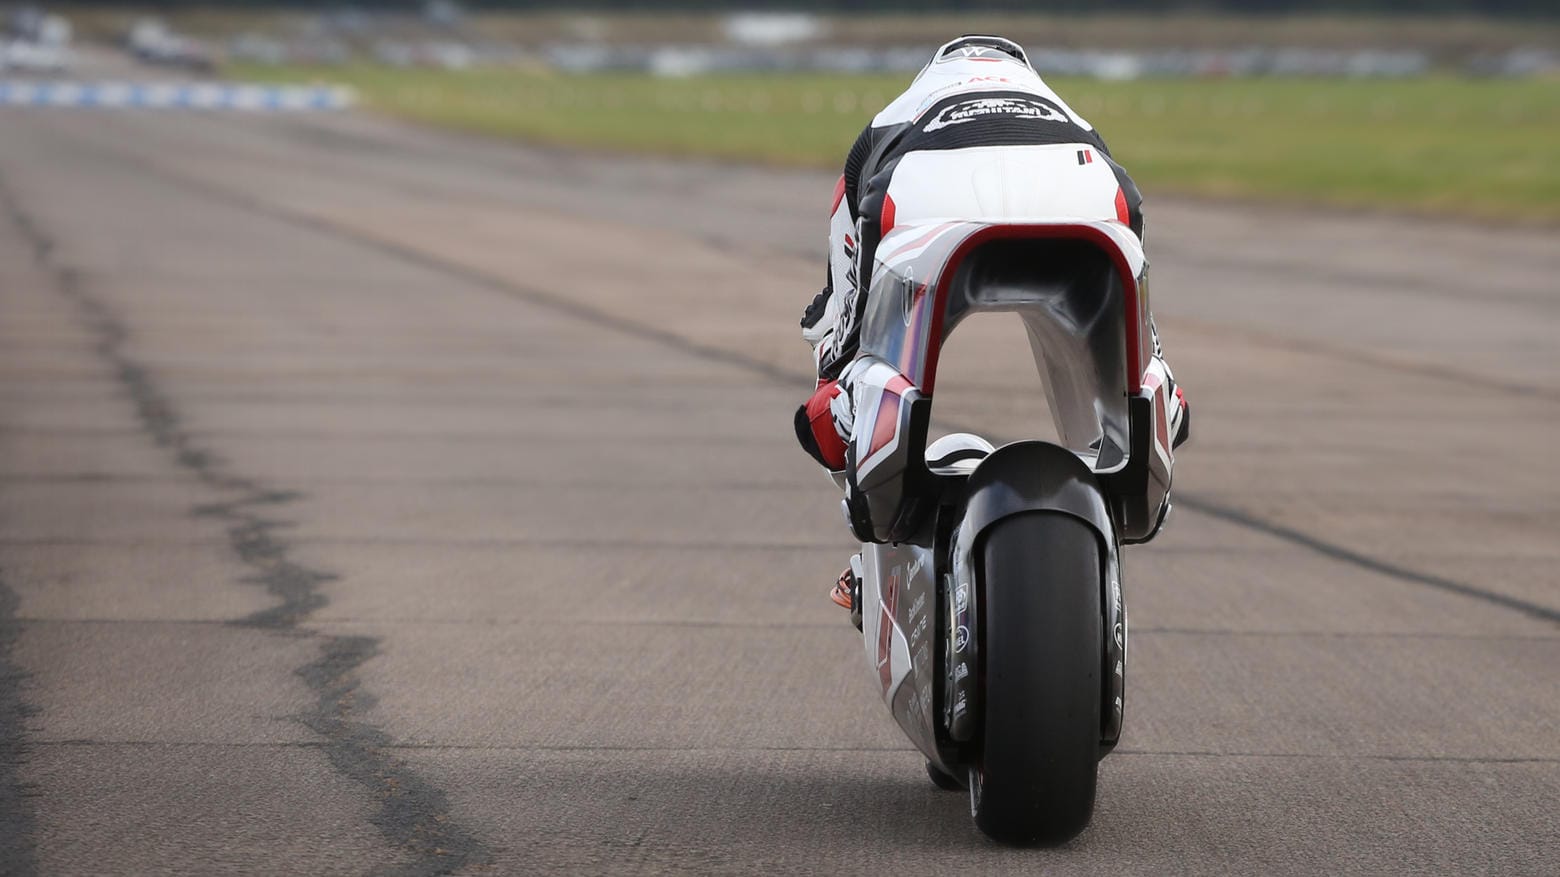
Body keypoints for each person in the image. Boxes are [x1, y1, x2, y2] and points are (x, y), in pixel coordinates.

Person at [792, 35, 1188, 611]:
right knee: (1146, 400)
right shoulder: (1067, 113)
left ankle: (872, 551)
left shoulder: (888, 121)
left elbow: (831, 308)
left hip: (920, 191)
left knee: (837, 400)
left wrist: (837, 381)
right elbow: (1124, 202)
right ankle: (1128, 478)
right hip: (1084, 182)